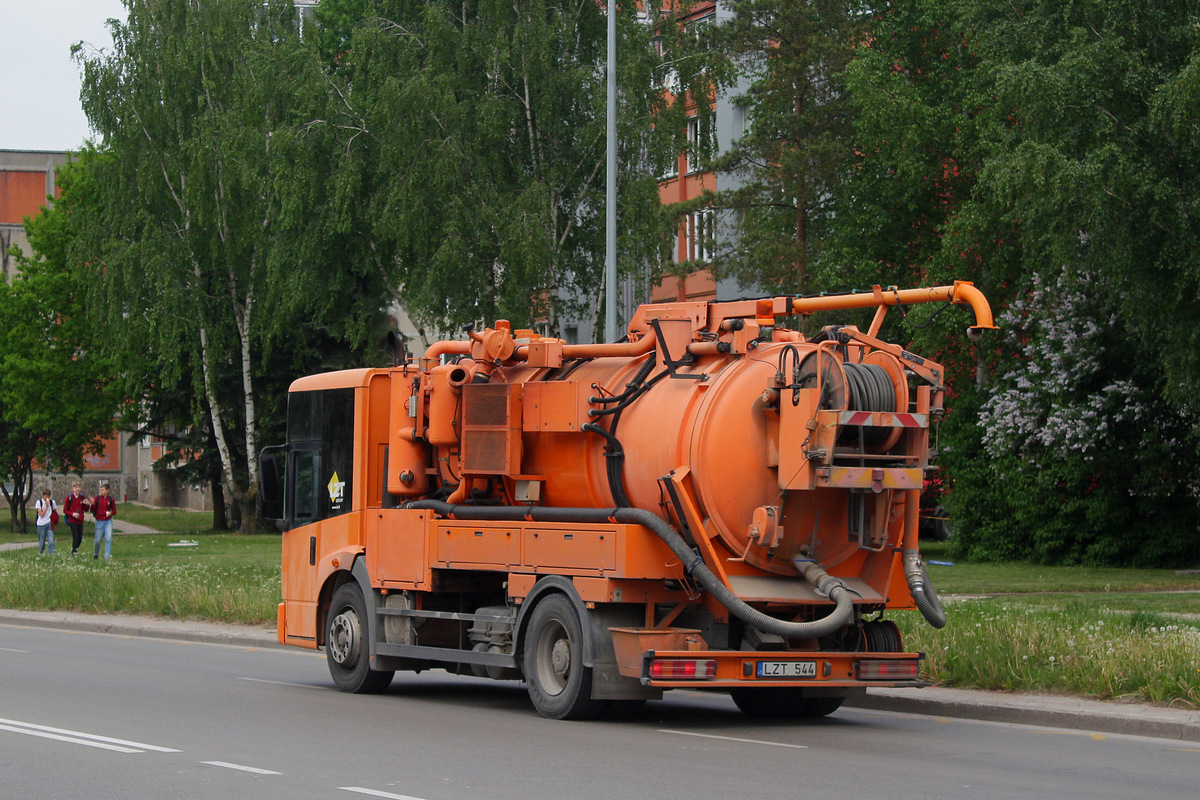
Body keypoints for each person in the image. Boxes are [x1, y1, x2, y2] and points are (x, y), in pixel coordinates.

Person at [63, 481, 91, 556]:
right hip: (72, 520)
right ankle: (74, 552)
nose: (77, 489)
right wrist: (72, 514)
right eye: (76, 488)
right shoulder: (69, 498)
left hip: (80, 520)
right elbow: (65, 510)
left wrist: (87, 504)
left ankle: (75, 549)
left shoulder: (82, 497)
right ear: (73, 489)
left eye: (79, 487)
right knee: (75, 536)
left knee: (79, 538)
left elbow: (85, 509)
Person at [91, 483, 117, 560]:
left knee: (108, 538)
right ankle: (96, 553)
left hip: (108, 521)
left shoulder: (111, 500)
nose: (101, 491)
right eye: (100, 490)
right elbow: (92, 510)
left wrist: (110, 513)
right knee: (98, 540)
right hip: (99, 521)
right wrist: (92, 504)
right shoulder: (97, 498)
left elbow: (114, 511)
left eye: (102, 490)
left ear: (107, 490)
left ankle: (107, 557)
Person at [35, 489, 57, 556]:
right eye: (46, 496)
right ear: (43, 496)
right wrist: (47, 507)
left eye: (48, 496)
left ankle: (52, 554)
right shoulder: (39, 502)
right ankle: (41, 554)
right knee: (42, 542)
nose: (47, 498)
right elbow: (41, 514)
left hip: (49, 523)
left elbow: (54, 511)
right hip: (41, 524)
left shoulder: (52, 502)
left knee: (51, 540)